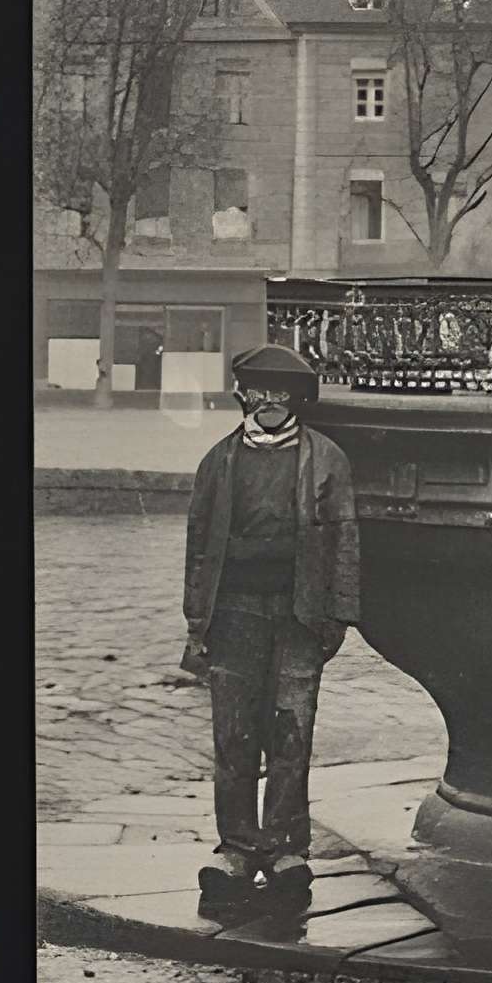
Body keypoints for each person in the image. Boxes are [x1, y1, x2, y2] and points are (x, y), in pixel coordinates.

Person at [181, 343, 359, 909]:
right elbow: (198, 545)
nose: (269, 407)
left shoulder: (326, 459)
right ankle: (235, 849)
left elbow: (346, 540)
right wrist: (195, 619)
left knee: (290, 735)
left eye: (281, 397)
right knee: (234, 736)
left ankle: (285, 849)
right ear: (243, 397)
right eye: (259, 395)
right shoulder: (218, 461)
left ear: (297, 402)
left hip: (299, 615)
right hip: (232, 614)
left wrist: (339, 614)